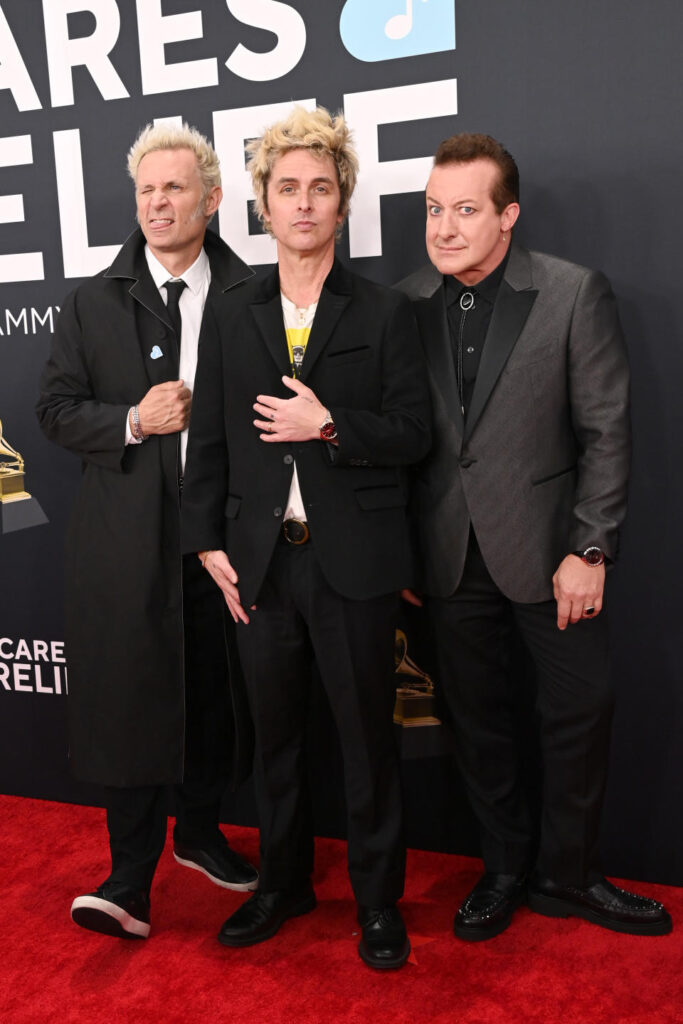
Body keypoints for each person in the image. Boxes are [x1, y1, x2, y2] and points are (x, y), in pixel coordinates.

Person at [398, 133, 671, 940]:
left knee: (580, 711)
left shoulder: (571, 292)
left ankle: (573, 874)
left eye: (465, 211)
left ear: (506, 215)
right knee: (476, 725)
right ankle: (504, 869)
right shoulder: (404, 304)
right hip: (446, 559)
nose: (444, 228)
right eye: (432, 211)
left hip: (554, 557)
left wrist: (589, 549)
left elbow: (605, 432)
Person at [181, 107, 431, 969]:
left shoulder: (386, 310)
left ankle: (376, 903)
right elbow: (207, 437)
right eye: (286, 188)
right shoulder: (232, 309)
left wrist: (329, 426)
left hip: (353, 564)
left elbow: (411, 433)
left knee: (366, 741)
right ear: (262, 204)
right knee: (275, 739)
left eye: (319, 188)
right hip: (258, 564)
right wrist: (206, 541)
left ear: (341, 202)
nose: (303, 203)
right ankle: (282, 886)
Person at [36, 122, 258, 940]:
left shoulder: (252, 294)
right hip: (124, 545)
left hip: (223, 538)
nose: (158, 203)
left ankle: (200, 835)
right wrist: (132, 419)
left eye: (173, 188)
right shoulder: (94, 300)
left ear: (211, 197)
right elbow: (53, 409)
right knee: (129, 704)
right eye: (146, 191)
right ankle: (129, 878)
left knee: (212, 694)